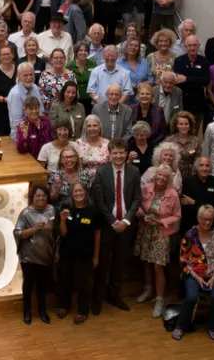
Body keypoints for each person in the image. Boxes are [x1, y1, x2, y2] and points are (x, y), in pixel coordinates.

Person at [91, 138, 142, 314]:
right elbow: (99, 200)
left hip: (126, 225)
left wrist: (126, 221)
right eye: (115, 153)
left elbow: (137, 198)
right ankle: (97, 297)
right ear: (109, 154)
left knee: (119, 262)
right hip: (107, 224)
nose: (119, 156)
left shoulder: (134, 172)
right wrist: (113, 222)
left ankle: (114, 295)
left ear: (126, 153)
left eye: (122, 153)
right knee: (103, 263)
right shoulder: (101, 172)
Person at [134, 163, 181, 318]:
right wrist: (142, 214)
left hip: (161, 232)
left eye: (165, 176)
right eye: (159, 175)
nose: (161, 178)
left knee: (158, 266)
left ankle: (159, 299)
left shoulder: (173, 193)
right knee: (146, 262)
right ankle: (148, 290)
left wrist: (162, 222)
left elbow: (177, 216)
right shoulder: (146, 188)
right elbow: (138, 205)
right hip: (146, 230)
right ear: (155, 175)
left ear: (168, 179)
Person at [172, 205, 214, 341]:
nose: (207, 223)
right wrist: (196, 277)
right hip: (193, 274)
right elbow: (183, 260)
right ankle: (180, 326)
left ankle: (212, 327)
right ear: (198, 218)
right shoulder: (190, 235)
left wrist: (213, 278)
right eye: (204, 219)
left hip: (212, 274)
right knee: (191, 297)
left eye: (210, 220)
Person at [56, 180, 100, 324]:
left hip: (85, 254)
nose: (78, 193)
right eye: (75, 191)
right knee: (65, 280)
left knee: (84, 284)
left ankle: (82, 310)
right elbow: (62, 233)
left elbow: (97, 235)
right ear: (71, 194)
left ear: (85, 192)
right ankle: (63, 306)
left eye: (81, 191)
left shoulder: (93, 210)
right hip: (68, 253)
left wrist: (96, 257)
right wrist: (62, 220)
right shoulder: (67, 208)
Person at [14, 184, 56, 325]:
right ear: (32, 197)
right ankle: (26, 312)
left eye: (43, 196)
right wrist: (34, 228)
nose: (41, 198)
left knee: (42, 286)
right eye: (37, 195)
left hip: (46, 254)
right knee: (28, 286)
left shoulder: (51, 210)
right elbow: (18, 233)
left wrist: (41, 226)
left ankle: (42, 311)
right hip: (28, 256)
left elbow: (51, 227)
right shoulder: (26, 213)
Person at [174, 35, 211, 127]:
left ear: (198, 46)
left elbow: (206, 81)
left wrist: (186, 78)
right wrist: (196, 79)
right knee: (183, 127)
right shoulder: (179, 61)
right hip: (183, 101)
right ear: (185, 47)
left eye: (195, 45)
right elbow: (179, 81)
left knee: (195, 128)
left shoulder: (204, 61)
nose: (192, 48)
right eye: (190, 45)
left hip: (198, 101)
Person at [180, 156, 214, 234]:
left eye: (207, 165)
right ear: (197, 167)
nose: (204, 168)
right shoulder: (187, 182)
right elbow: (185, 205)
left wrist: (194, 202)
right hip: (190, 224)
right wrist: (206, 203)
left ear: (210, 168)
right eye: (201, 165)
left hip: (210, 224)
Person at [7, 61, 44, 139]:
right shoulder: (15, 94)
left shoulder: (35, 88)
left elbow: (40, 112)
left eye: (31, 74)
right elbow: (17, 122)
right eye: (25, 75)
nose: (29, 78)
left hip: (37, 134)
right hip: (21, 137)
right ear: (19, 76)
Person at [166, 111, 200, 182]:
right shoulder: (169, 140)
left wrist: (193, 176)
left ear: (190, 125)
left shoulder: (196, 141)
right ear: (176, 125)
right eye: (181, 124)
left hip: (191, 177)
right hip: (173, 176)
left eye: (186, 124)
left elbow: (197, 160)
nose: (183, 126)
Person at [117, 38, 153, 106]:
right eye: (131, 45)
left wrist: (144, 84)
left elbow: (151, 79)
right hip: (124, 100)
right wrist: (129, 84)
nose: (133, 47)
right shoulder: (118, 63)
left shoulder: (144, 62)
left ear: (139, 49)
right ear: (126, 47)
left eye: (136, 46)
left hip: (142, 100)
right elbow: (115, 80)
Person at [38, 48, 75, 112]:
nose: (59, 60)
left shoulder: (70, 75)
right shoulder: (44, 75)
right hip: (49, 111)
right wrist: (55, 106)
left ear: (65, 59)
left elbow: (75, 93)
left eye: (61, 58)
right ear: (51, 60)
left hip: (67, 110)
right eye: (56, 58)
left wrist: (65, 106)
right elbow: (41, 94)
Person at [76, 115, 110, 183]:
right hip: (83, 181)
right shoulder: (78, 143)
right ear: (85, 128)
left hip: (104, 180)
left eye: (95, 125)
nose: (92, 128)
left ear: (99, 127)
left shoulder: (107, 143)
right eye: (89, 126)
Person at [66, 42, 96, 114]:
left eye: (85, 50)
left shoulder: (93, 65)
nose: (83, 52)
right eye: (80, 50)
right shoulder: (69, 65)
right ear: (76, 52)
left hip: (90, 100)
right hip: (74, 99)